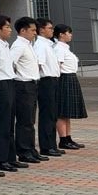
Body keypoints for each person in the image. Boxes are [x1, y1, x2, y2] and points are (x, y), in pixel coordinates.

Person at [0, 15, 20, 173]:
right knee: (2, 124)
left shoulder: (5, 45)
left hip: (9, 82)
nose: (10, 30)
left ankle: (10, 157)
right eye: (7, 27)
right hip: (0, 85)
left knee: (9, 123)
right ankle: (0, 159)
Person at [10, 18, 42, 164]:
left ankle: (31, 149)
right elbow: (10, 63)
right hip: (23, 85)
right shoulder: (18, 46)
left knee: (30, 120)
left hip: (32, 85)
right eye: (32, 30)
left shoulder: (28, 45)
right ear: (23, 30)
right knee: (24, 120)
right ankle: (23, 151)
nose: (35, 33)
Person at [54, 26, 87, 150]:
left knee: (67, 112)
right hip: (64, 79)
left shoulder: (65, 48)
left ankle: (68, 138)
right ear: (61, 34)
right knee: (62, 112)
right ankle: (63, 140)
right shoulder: (58, 48)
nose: (71, 35)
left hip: (71, 78)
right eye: (69, 33)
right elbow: (57, 66)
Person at [34, 19, 63, 156]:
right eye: (50, 28)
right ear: (41, 30)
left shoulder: (49, 44)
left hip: (53, 80)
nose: (52, 30)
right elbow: (38, 65)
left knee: (53, 114)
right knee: (47, 114)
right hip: (46, 81)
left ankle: (52, 144)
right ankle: (46, 146)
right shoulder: (40, 45)